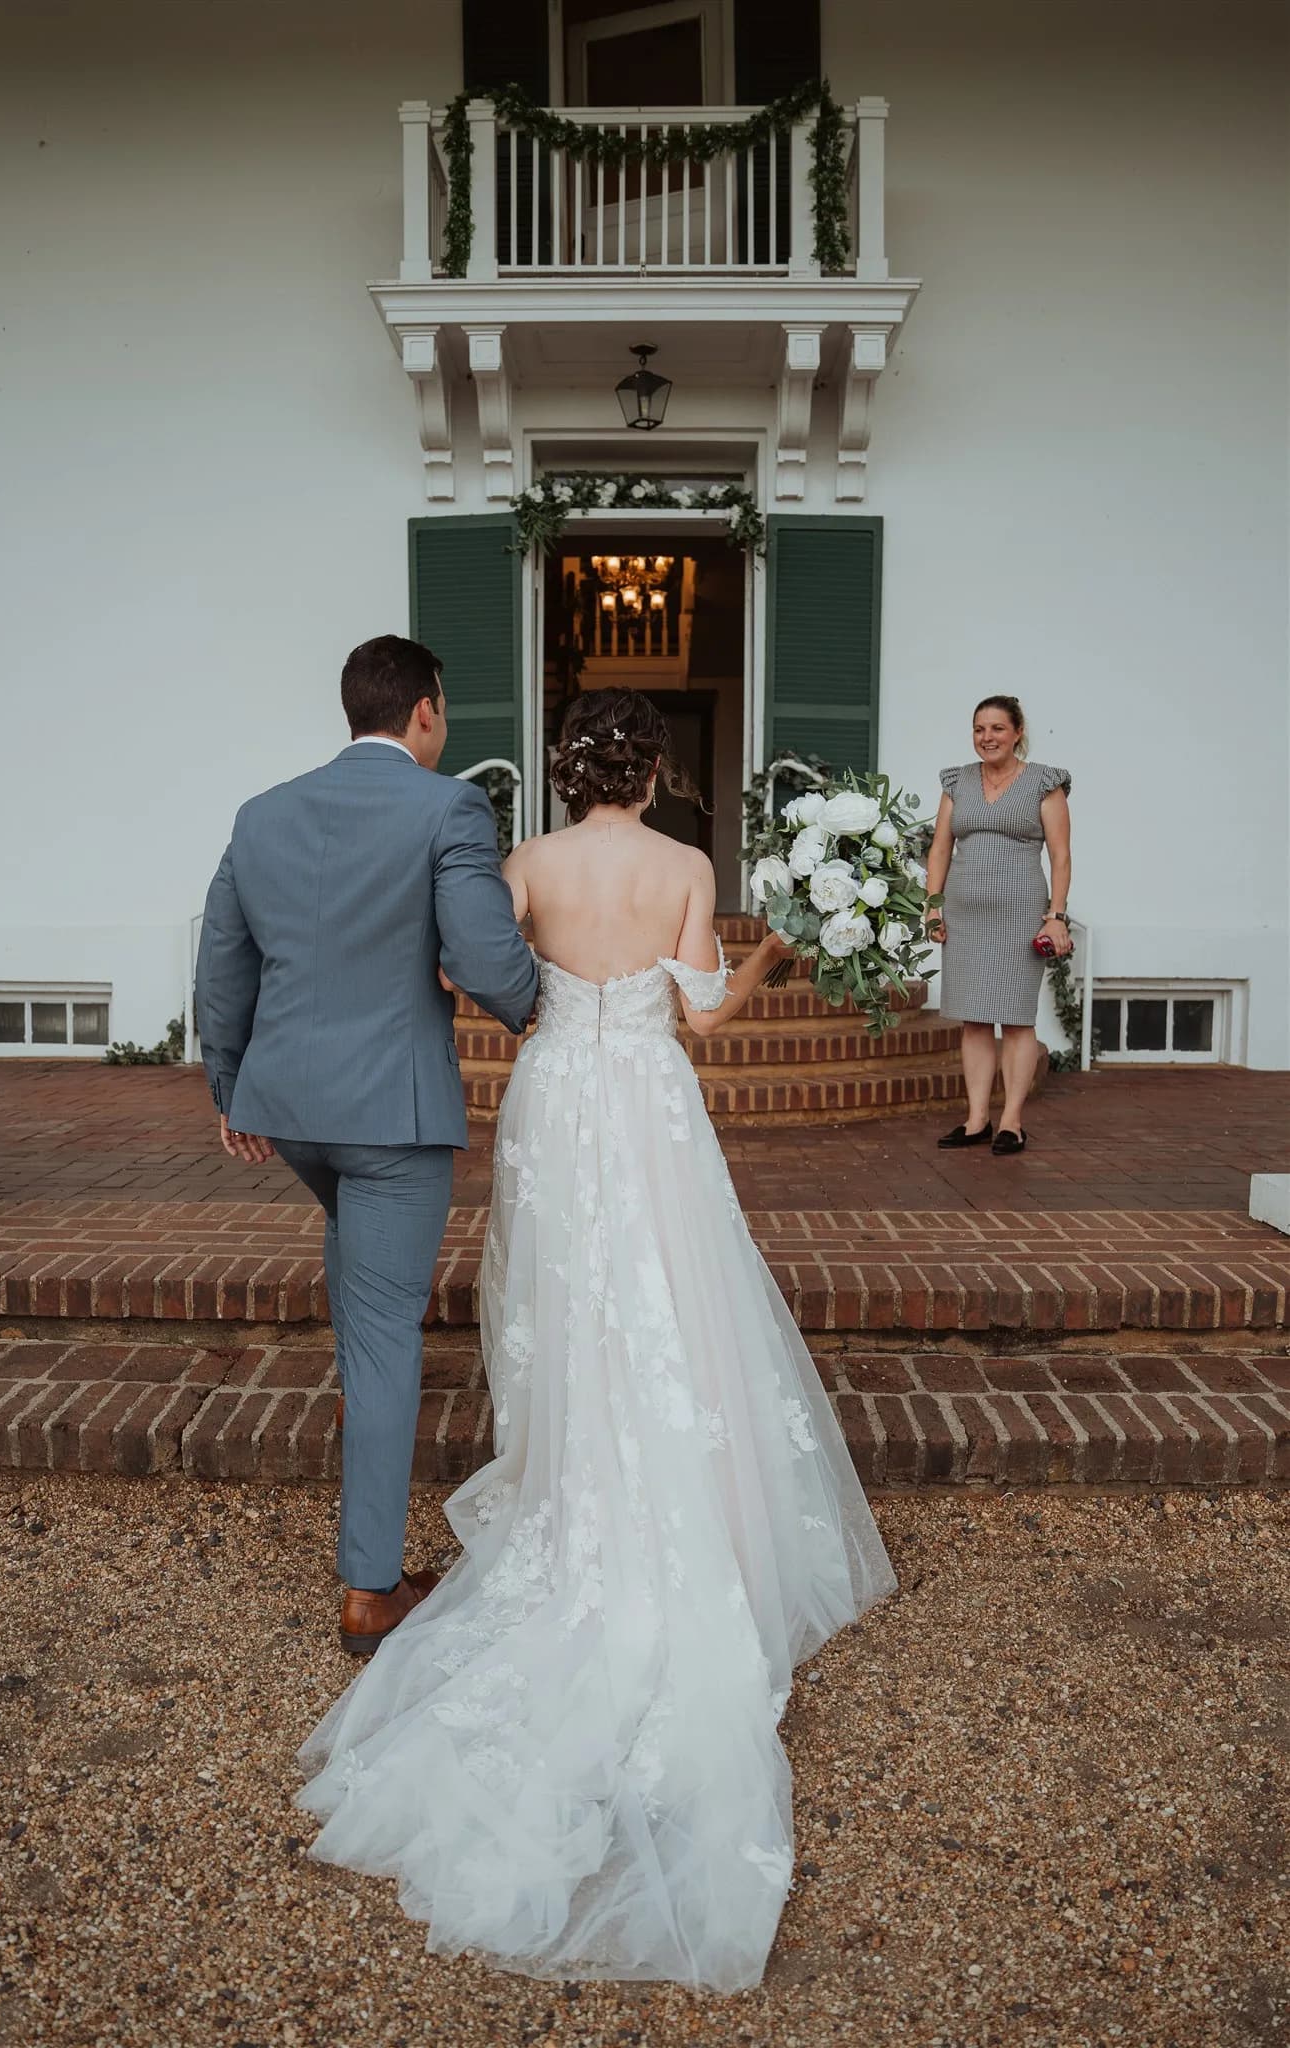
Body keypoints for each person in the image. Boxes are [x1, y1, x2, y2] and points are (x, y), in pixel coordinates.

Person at [296, 687, 896, 1992]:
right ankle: (678, 1506)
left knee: (562, 1306)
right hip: (650, 1103)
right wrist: (769, 961)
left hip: (558, 1096)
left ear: (566, 772)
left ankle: (574, 1482)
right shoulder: (686, 864)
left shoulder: (520, 864)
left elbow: (473, 975)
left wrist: (541, 1006)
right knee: (670, 1299)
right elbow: (704, 1019)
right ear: (655, 768)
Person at [194, 636, 538, 1653]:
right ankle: (371, 1588)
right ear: (425, 710)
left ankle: (366, 1431)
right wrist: (538, 1007)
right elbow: (485, 953)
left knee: (357, 1259)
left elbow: (222, 961)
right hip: (391, 1113)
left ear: (356, 711)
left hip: (290, 1107)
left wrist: (230, 1084)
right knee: (390, 1330)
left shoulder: (262, 813)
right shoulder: (449, 807)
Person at [925, 694, 1073, 1155]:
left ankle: (1011, 1122)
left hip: (1020, 913)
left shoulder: (1043, 783)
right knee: (973, 1019)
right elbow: (940, 849)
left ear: (1017, 733)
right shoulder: (958, 781)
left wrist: (1056, 916)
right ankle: (975, 1120)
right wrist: (933, 907)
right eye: (979, 730)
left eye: (997, 729)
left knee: (1014, 1020)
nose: (986, 738)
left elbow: (1061, 856)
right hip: (965, 914)